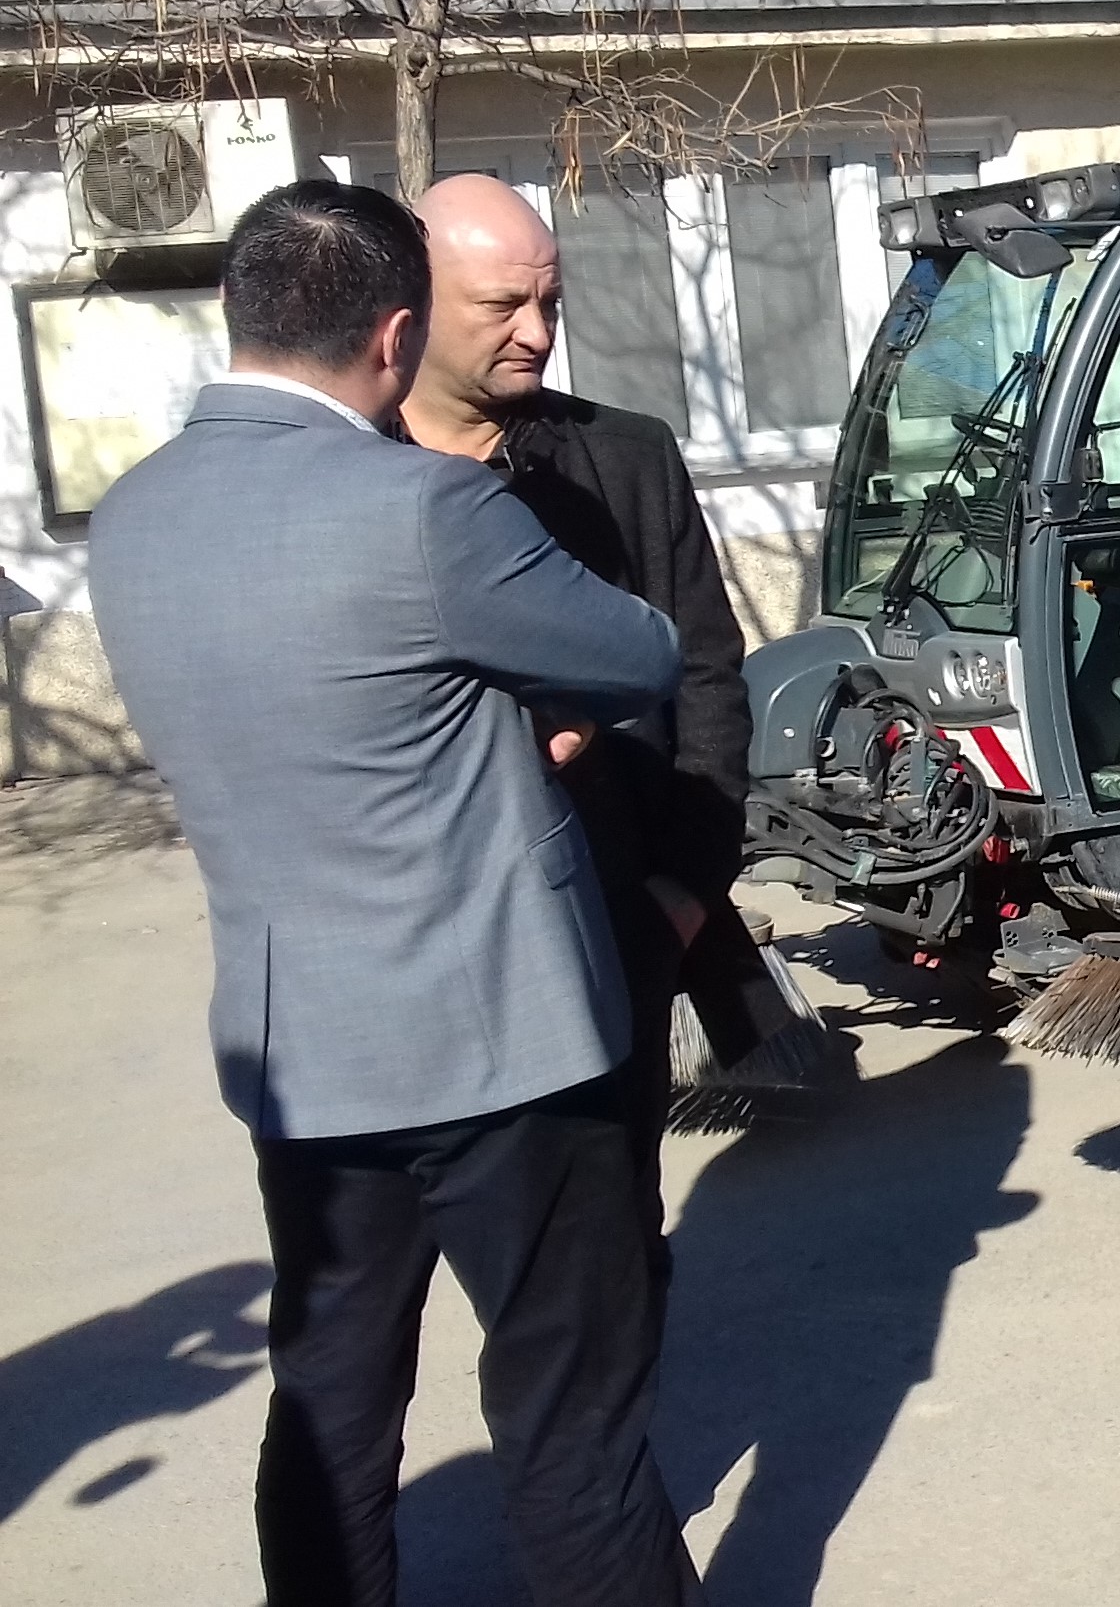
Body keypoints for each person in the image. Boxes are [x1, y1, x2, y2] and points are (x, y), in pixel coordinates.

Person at [87, 179, 701, 1607]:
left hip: (302, 1053)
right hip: (505, 1052)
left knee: (329, 1406)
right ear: (394, 335)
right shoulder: (426, 507)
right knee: (571, 1425)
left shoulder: (132, 514)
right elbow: (640, 653)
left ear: (236, 311)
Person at [399, 173, 769, 1194]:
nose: (536, 332)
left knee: (608, 1238)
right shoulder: (345, 476)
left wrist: (683, 894)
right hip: (420, 946)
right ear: (410, 303)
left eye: (550, 302)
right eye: (501, 305)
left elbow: (706, 674)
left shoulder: (625, 458)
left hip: (612, 928)